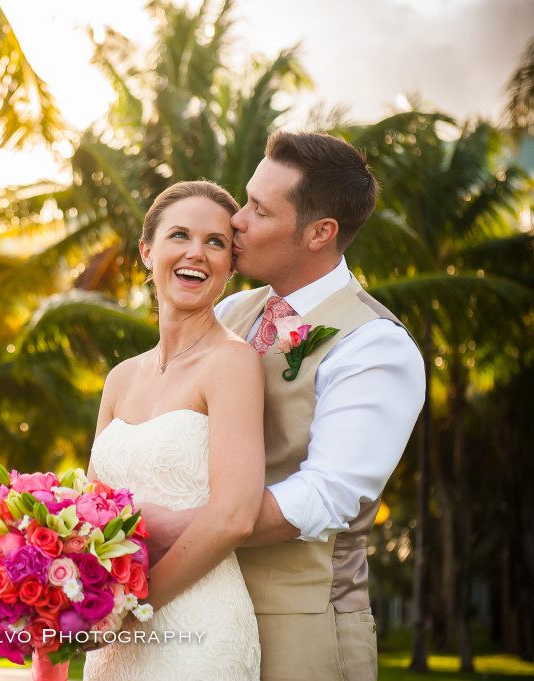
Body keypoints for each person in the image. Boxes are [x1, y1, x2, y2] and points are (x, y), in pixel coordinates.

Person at [139, 131, 426, 681]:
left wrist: (176, 527)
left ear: (320, 233)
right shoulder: (233, 311)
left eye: (259, 210)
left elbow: (326, 494)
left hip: (302, 624)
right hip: (199, 613)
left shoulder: (375, 346)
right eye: (245, 199)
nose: (236, 221)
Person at [82, 180, 265, 680]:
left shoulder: (232, 363)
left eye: (215, 242)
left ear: (231, 265)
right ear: (147, 251)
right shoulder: (120, 378)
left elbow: (233, 517)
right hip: (109, 641)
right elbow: (88, 511)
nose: (196, 253)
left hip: (197, 628)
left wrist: (130, 609)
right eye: (179, 235)